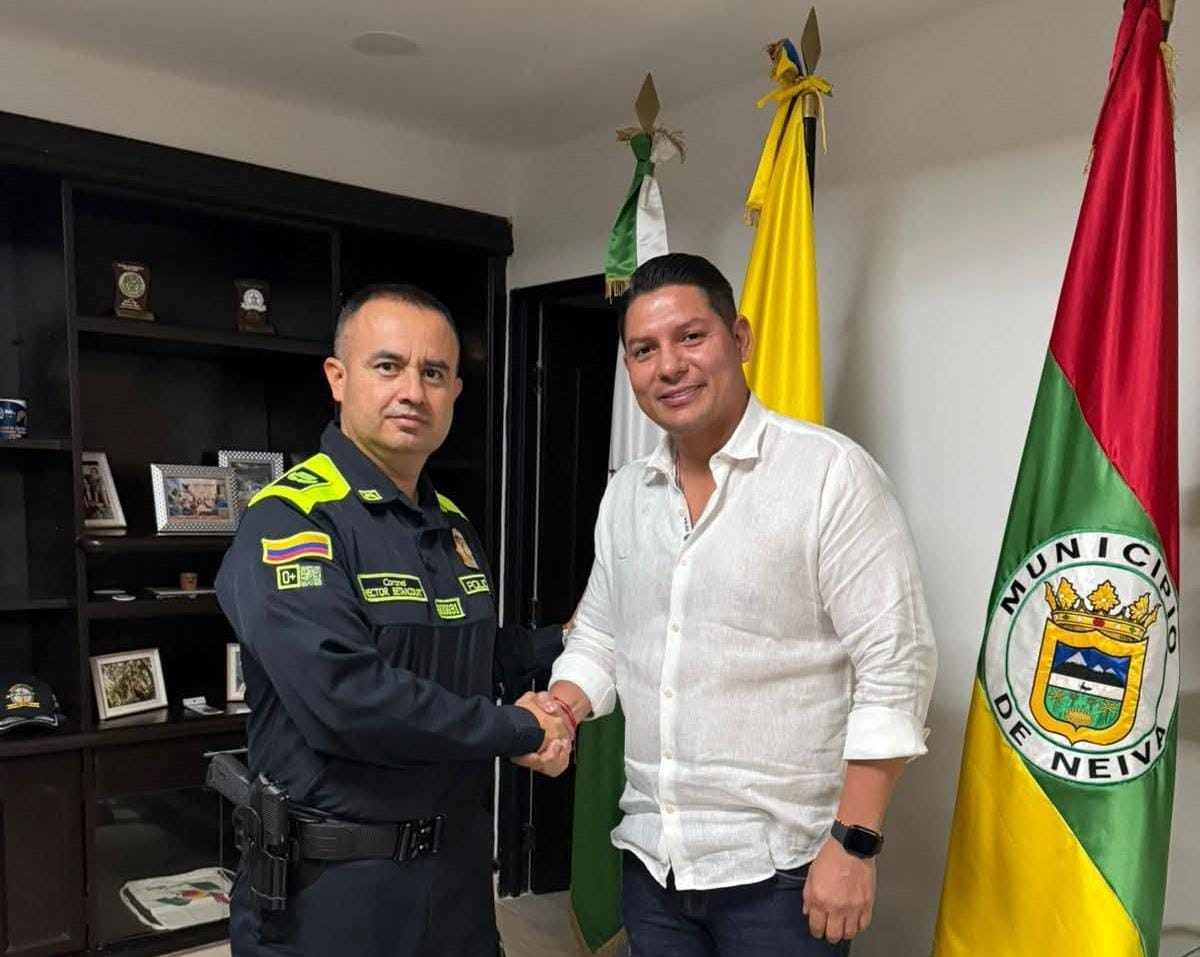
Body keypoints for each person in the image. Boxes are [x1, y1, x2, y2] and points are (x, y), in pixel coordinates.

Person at [541, 253, 938, 955]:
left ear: (740, 338)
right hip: (652, 859)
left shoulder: (828, 475)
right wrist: (563, 707)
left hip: (782, 873)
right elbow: (602, 635)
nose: (668, 365)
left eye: (691, 337)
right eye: (643, 349)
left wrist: (856, 841)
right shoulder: (628, 493)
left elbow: (896, 663)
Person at [215, 284, 572, 957]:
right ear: (338, 377)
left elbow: (464, 657)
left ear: (455, 392)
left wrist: (566, 639)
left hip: (457, 881)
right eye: (388, 366)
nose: (413, 390)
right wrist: (517, 727)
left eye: (433, 372)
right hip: (334, 890)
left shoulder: (454, 524)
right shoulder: (292, 518)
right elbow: (346, 698)